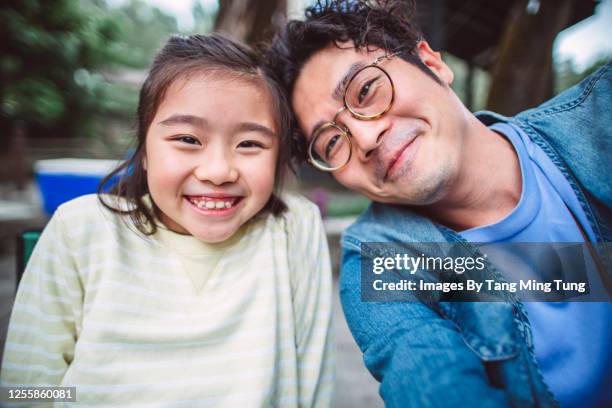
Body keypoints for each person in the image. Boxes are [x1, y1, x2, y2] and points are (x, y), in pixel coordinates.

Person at [267, 0, 611, 407]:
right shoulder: (382, 261)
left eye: (365, 90)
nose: (365, 138)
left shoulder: (598, 116)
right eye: (332, 142)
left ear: (432, 63)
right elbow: (425, 375)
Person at [1, 34, 334, 407]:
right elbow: (23, 388)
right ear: (144, 151)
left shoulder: (293, 229)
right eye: (188, 139)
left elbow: (314, 390)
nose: (219, 171)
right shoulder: (80, 230)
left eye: (249, 144)